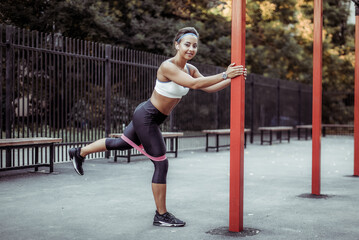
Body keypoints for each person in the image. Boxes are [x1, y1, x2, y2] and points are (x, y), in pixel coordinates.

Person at [68, 27, 247, 227]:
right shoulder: (168, 66)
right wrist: (225, 74)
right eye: (187, 44)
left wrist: (233, 79)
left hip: (149, 116)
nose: (191, 49)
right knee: (161, 163)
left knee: (121, 144)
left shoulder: (191, 69)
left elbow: (208, 87)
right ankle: (161, 215)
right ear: (177, 45)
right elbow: (195, 85)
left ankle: (79, 152)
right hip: (147, 117)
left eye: (194, 46)